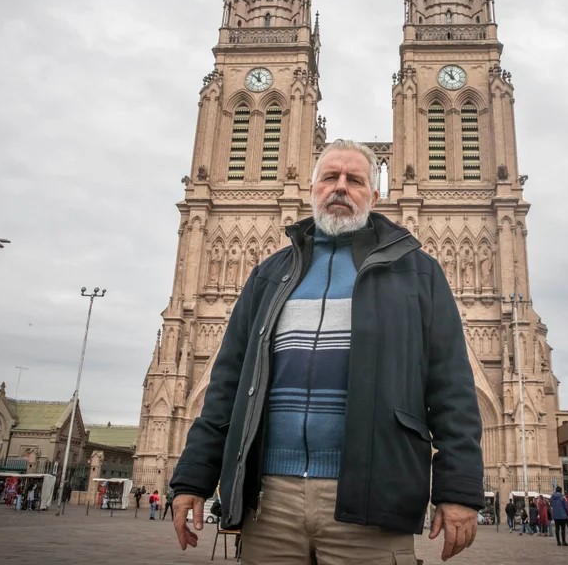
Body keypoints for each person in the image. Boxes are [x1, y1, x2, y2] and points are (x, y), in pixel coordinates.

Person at [168, 140, 485, 564]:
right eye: (329, 177)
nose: (340, 188)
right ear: (310, 186)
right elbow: (227, 384)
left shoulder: (417, 272)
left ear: (376, 193)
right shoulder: (270, 273)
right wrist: (193, 478)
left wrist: (459, 488)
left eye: (354, 180)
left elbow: (452, 390)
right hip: (270, 499)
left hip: (370, 500)